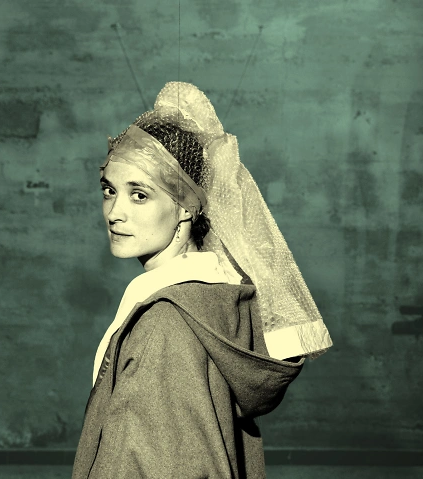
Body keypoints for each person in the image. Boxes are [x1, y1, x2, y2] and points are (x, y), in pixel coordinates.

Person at [72, 82, 332, 478]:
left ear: (185, 207)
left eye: (139, 195)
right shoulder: (216, 300)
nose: (114, 212)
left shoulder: (164, 325)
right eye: (109, 190)